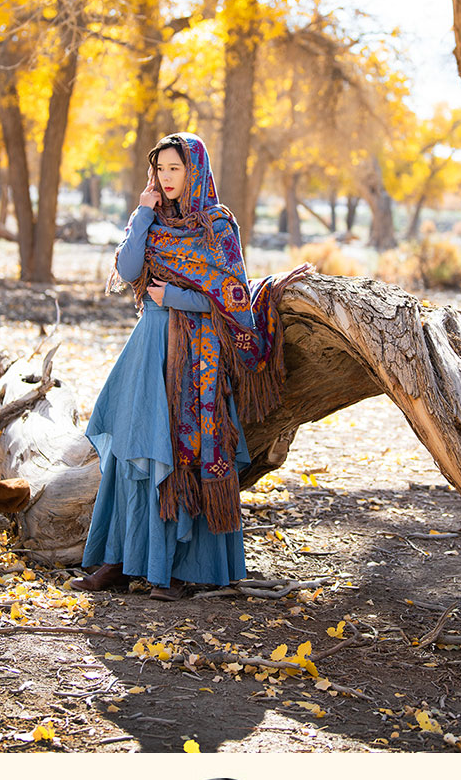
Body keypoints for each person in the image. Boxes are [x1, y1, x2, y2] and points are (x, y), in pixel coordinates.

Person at [71, 133, 310, 600]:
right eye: (160, 169)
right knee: (132, 451)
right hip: (148, 347)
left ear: (194, 170)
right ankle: (121, 561)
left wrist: (174, 296)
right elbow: (126, 268)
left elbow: (233, 297)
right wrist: (142, 210)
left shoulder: (218, 227)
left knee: (186, 453)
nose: (166, 178)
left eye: (175, 169)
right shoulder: (151, 218)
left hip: (196, 352)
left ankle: (177, 568)